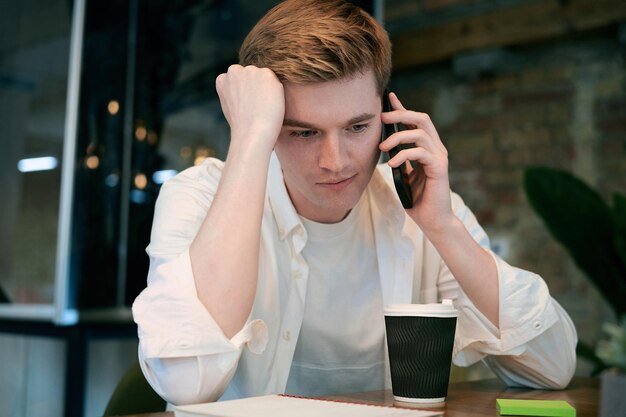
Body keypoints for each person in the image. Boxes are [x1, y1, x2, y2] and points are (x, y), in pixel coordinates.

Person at [132, 0, 577, 406]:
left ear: (387, 118)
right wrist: (249, 140)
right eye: (303, 132)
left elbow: (552, 367)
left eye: (357, 127)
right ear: (267, 127)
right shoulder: (198, 196)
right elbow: (186, 383)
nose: (335, 161)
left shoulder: (425, 210)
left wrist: (443, 226)